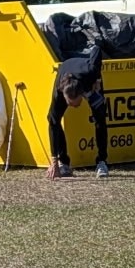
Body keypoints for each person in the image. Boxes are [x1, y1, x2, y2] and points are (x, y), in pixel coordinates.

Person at [46, 44, 110, 178]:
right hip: (65, 70)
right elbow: (52, 123)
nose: (73, 107)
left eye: (75, 103)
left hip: (90, 82)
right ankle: (64, 163)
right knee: (53, 119)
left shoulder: (90, 72)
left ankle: (102, 162)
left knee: (100, 118)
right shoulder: (59, 92)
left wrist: (97, 78)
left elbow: (97, 49)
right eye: (69, 103)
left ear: (82, 95)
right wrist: (54, 161)